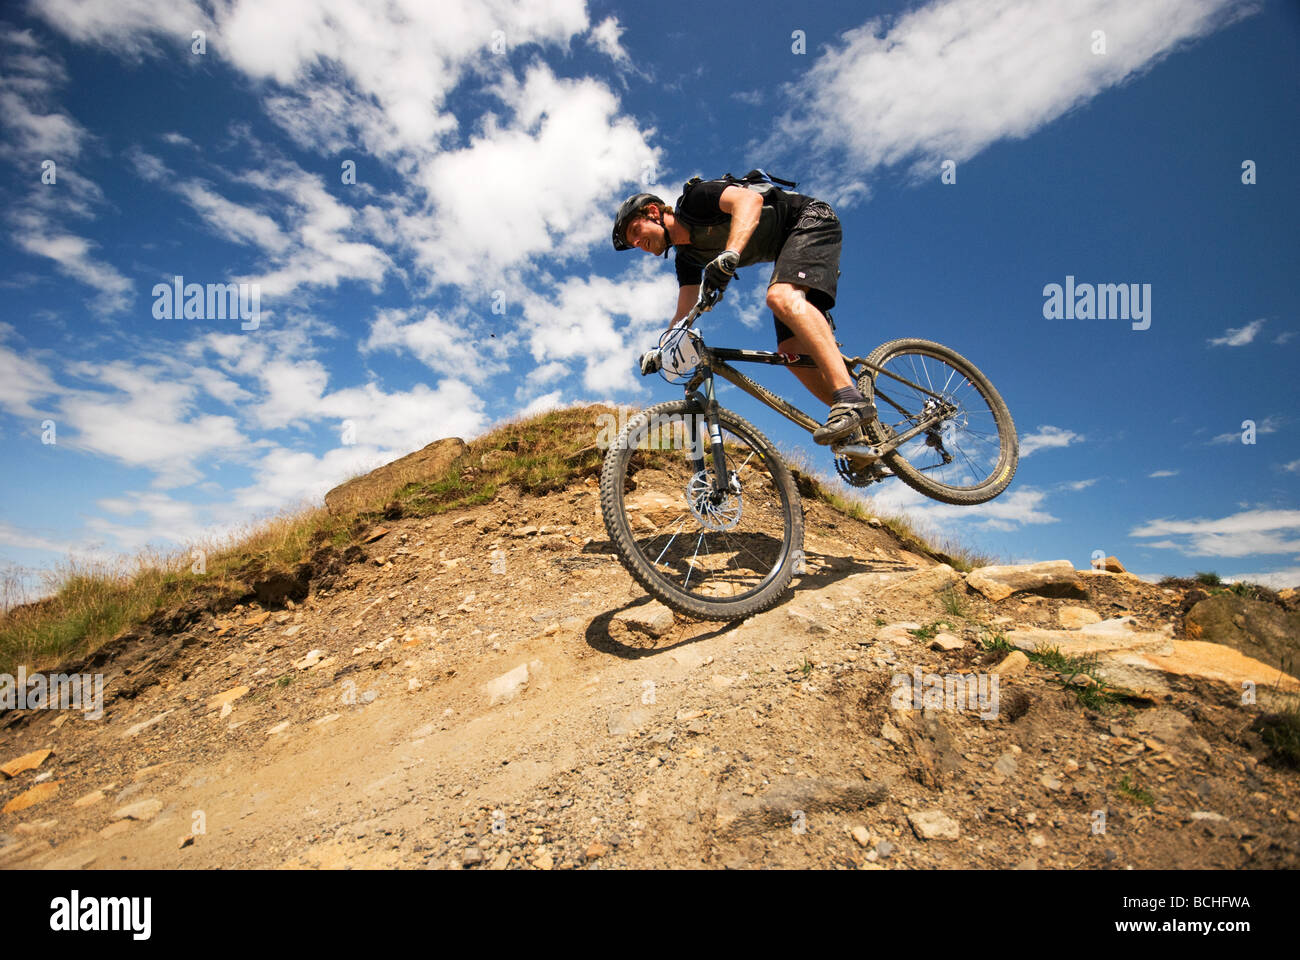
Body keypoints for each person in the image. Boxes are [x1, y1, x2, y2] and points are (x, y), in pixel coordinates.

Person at [612, 173, 874, 444]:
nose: (636, 244)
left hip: (810, 218)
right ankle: (865, 429)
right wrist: (662, 347)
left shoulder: (695, 201)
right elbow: (683, 313)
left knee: (780, 296)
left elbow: (749, 200)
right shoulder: (687, 260)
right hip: (787, 248)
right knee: (790, 353)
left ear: (653, 212)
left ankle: (850, 398)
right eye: (632, 243)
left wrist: (730, 253)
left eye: (634, 231)